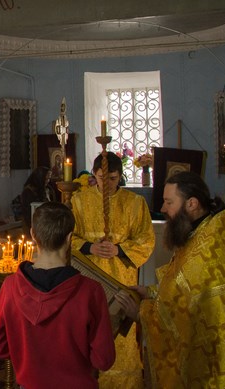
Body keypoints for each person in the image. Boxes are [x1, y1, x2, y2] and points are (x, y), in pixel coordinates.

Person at [115, 171, 225, 387]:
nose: (163, 209)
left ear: (192, 204)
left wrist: (141, 313)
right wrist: (150, 292)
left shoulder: (208, 248)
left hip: (212, 364)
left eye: (169, 202)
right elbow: (183, 290)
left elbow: (181, 311)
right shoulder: (203, 231)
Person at [0, 202, 115, 388]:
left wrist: (25, 353)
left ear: (33, 235)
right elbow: (103, 360)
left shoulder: (10, 286)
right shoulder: (91, 291)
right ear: (69, 238)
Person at [70, 152, 154, 388]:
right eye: (101, 178)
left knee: (121, 337)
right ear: (93, 174)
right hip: (88, 278)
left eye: (113, 179)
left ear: (121, 176)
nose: (106, 184)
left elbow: (147, 240)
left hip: (121, 279)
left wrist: (119, 250)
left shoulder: (135, 203)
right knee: (88, 329)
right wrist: (90, 247)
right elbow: (67, 238)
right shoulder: (79, 201)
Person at [18, 166, 52, 236]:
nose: (48, 181)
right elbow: (28, 211)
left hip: (44, 223)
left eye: (49, 179)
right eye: (46, 179)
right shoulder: (29, 191)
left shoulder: (47, 189)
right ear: (40, 178)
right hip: (32, 223)